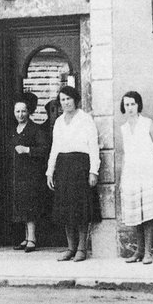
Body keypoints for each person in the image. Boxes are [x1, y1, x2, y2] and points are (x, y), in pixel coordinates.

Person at [46, 86, 100, 262]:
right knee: (66, 210)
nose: (66, 102)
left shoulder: (85, 119)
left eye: (68, 99)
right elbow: (55, 147)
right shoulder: (59, 122)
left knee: (80, 209)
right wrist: (50, 171)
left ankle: (82, 249)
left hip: (80, 166)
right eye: (62, 100)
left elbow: (93, 146)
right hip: (63, 166)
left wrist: (93, 171)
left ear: (75, 100)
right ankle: (70, 248)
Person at [119, 91, 153, 265]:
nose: (130, 108)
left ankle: (148, 252)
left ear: (138, 105)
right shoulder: (123, 128)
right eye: (127, 104)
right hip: (131, 172)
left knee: (148, 213)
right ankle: (138, 251)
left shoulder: (147, 123)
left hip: (148, 170)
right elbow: (125, 154)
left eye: (133, 104)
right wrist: (123, 177)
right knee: (135, 212)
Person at [10, 94, 49, 253]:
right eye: (18, 111)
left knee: (30, 206)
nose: (20, 114)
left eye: (23, 111)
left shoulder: (35, 129)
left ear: (29, 112)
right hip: (17, 174)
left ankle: (32, 238)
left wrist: (28, 150)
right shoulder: (14, 130)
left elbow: (44, 149)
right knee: (21, 206)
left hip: (31, 174)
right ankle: (26, 238)